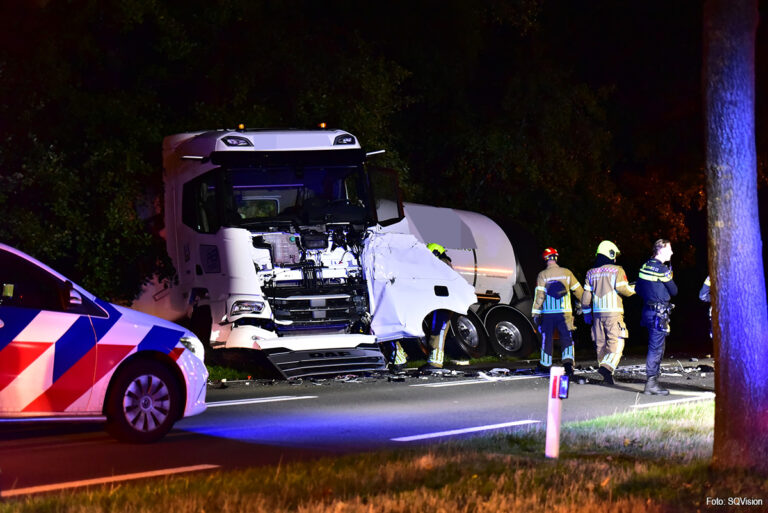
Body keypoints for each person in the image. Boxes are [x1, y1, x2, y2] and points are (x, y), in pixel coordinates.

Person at [388, 243, 453, 373]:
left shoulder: (441, 264)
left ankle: (434, 363)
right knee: (435, 331)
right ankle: (403, 358)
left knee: (437, 331)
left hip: (442, 304)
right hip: (435, 303)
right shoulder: (441, 264)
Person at [581, 241, 635, 385]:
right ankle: (607, 368)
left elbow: (586, 295)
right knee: (617, 342)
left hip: (597, 315)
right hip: (613, 314)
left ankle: (606, 377)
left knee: (601, 344)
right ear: (610, 254)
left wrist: (586, 312)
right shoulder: (617, 270)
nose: (615, 258)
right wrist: (635, 288)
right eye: (614, 255)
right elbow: (624, 290)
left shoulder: (591, 272)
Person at [531, 247, 584, 378]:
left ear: (545, 259)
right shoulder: (567, 272)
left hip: (548, 313)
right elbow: (579, 291)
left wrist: (535, 313)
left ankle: (545, 365)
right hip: (565, 312)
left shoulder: (542, 275)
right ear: (556, 257)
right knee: (567, 338)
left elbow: (540, 296)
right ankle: (568, 365)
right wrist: (583, 304)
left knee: (546, 339)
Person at [636, 239, 678, 395]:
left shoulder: (644, 266)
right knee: (656, 348)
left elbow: (638, 289)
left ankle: (652, 381)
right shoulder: (662, 270)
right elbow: (674, 291)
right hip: (658, 314)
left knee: (655, 346)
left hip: (647, 311)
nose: (672, 252)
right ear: (661, 250)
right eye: (669, 249)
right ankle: (651, 383)